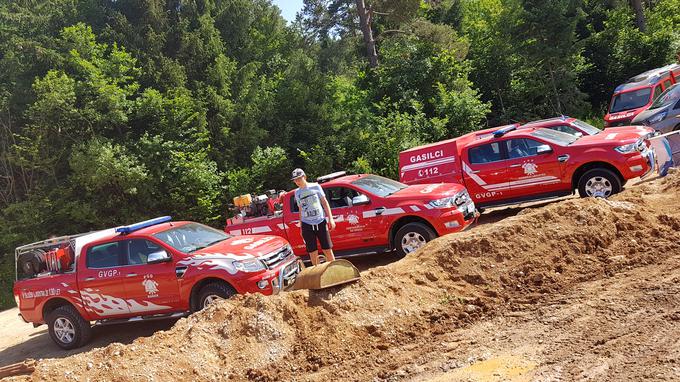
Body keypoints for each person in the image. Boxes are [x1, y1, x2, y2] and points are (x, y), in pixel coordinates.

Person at [291, 168, 336, 265]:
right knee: (312, 252)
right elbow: (300, 209)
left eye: (299, 179)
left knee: (327, 249)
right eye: (295, 180)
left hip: (320, 221)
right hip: (307, 224)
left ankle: (334, 271)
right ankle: (318, 274)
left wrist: (331, 219)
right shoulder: (297, 192)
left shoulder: (316, 186)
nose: (297, 181)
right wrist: (301, 226)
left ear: (304, 177)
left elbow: (324, 202)